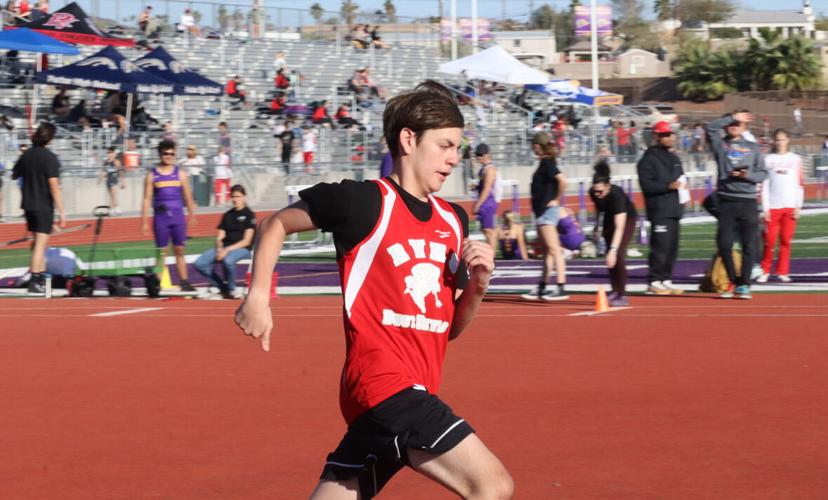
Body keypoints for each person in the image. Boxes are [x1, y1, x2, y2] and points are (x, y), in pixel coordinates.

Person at [234, 80, 513, 499]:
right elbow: (275, 224)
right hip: (382, 385)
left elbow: (447, 328)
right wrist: (258, 296)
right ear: (408, 139)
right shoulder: (363, 202)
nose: (455, 159)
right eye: (445, 145)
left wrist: (477, 287)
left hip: (404, 392)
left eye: (458, 148)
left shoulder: (454, 221)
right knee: (491, 484)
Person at [706, 110, 768, 299]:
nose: (734, 126)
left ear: (745, 127)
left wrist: (746, 176)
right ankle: (733, 280)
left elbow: (763, 174)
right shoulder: (720, 144)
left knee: (749, 245)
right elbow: (709, 128)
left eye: (738, 123)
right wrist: (732, 117)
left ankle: (744, 284)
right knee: (724, 244)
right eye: (732, 123)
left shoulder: (753, 147)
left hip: (748, 201)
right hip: (726, 200)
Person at [11, 122, 66, 294]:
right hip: (43, 205)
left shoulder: (26, 155)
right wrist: (62, 212)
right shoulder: (50, 157)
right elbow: (54, 185)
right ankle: (35, 279)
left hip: (28, 204)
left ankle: (40, 276)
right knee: (41, 244)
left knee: (37, 243)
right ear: (49, 139)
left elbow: (14, 174)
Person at [140, 139, 198, 292]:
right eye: (166, 153)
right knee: (161, 252)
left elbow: (187, 196)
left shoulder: (180, 174)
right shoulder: (152, 175)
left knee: (179, 250)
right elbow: (146, 199)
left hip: (178, 217)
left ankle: (184, 281)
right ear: (160, 154)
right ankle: (157, 283)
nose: (169, 156)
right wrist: (144, 221)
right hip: (161, 219)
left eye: (172, 153)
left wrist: (192, 214)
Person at [636, 121, 685, 295]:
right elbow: (647, 186)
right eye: (664, 135)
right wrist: (668, 186)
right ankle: (654, 280)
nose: (668, 137)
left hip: (674, 209)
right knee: (660, 247)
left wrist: (683, 192)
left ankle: (666, 278)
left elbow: (680, 180)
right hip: (659, 210)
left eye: (669, 134)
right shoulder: (648, 160)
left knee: (672, 247)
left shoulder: (674, 158)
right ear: (656, 136)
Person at [522, 131, 568, 301]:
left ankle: (561, 286)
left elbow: (563, 180)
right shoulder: (545, 163)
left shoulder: (548, 163)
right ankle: (543, 286)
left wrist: (556, 199)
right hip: (542, 213)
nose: (533, 149)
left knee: (554, 250)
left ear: (540, 146)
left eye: (535, 146)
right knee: (548, 251)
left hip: (547, 213)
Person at [194, 184, 255, 299]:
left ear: (244, 197)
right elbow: (219, 237)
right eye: (233, 197)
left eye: (238, 196)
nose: (235, 199)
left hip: (242, 249)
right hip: (225, 247)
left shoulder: (249, 215)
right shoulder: (227, 215)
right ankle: (222, 287)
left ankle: (232, 289)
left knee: (228, 260)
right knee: (199, 263)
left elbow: (247, 241)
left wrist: (225, 250)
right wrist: (220, 249)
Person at [589, 161, 638, 307]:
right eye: (595, 191)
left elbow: (620, 227)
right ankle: (615, 290)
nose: (598, 195)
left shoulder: (617, 196)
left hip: (626, 219)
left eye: (601, 191)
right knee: (609, 256)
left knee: (617, 254)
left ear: (608, 186)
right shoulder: (593, 192)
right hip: (610, 219)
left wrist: (614, 249)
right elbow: (599, 208)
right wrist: (597, 225)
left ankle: (622, 294)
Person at [758, 129, 804, 283]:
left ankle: (783, 271)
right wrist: (765, 209)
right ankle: (765, 270)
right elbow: (764, 184)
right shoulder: (768, 159)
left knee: (785, 240)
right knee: (769, 241)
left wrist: (798, 206)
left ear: (788, 140)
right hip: (773, 206)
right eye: (777, 140)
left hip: (790, 206)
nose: (780, 142)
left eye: (782, 139)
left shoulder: (795, 159)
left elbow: (800, 184)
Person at [471, 143, 499, 250]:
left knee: (489, 231)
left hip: (487, 202)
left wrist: (478, 204)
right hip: (484, 201)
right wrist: (477, 187)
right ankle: (490, 254)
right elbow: (483, 186)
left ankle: (491, 257)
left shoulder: (490, 169)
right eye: (477, 155)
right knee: (485, 230)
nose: (478, 157)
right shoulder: (483, 168)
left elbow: (487, 188)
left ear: (487, 155)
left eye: (480, 155)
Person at [98, 147, 125, 216]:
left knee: (113, 192)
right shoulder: (106, 162)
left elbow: (121, 171)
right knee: (111, 195)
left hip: (114, 178)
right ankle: (112, 208)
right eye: (108, 153)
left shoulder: (116, 162)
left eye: (111, 152)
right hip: (108, 179)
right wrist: (100, 179)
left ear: (114, 154)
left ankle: (116, 207)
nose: (109, 154)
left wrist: (123, 181)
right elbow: (103, 171)